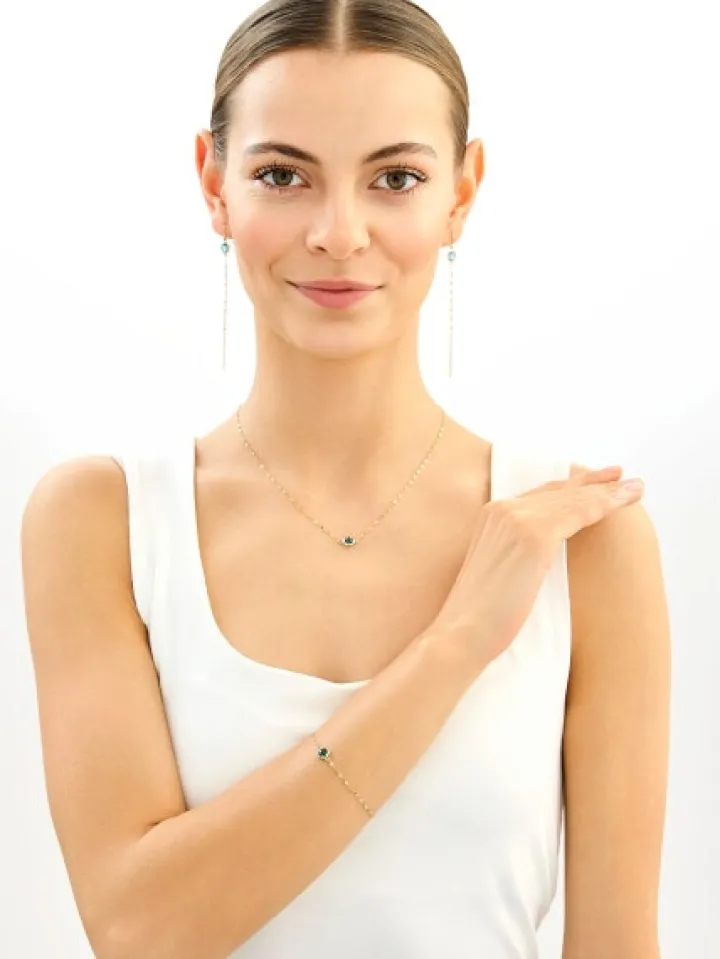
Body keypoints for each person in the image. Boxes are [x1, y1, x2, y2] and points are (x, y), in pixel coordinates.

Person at [20, 1, 670, 957]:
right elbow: (139, 929)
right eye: (282, 175)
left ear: (461, 192)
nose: (337, 231)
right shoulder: (102, 521)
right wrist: (455, 644)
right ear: (213, 184)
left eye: (395, 178)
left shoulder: (584, 542)